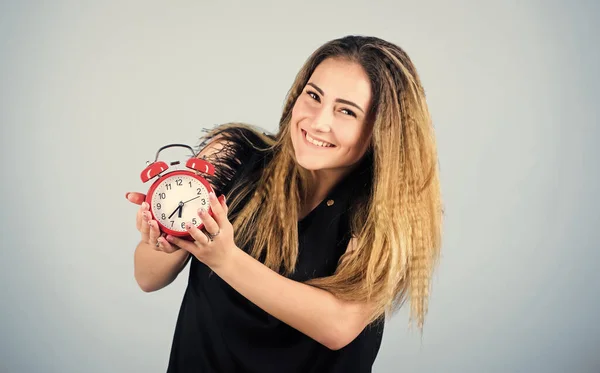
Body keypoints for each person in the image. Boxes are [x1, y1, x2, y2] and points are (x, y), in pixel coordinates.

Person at [125, 35, 443, 373]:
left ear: (382, 128)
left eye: (346, 111)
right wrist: (161, 238)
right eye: (313, 96)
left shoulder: (384, 211)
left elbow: (338, 325)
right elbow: (147, 278)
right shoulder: (232, 155)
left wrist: (226, 259)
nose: (318, 121)